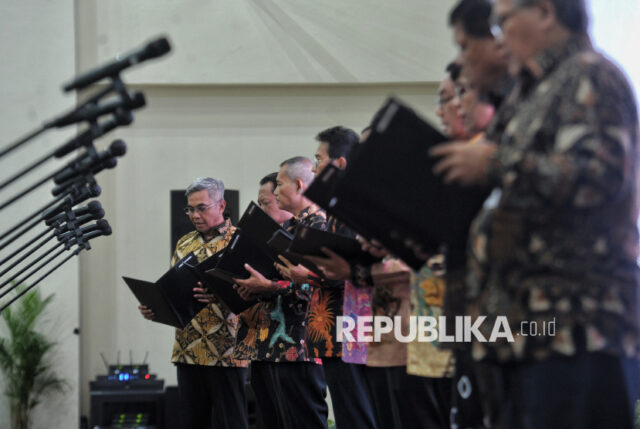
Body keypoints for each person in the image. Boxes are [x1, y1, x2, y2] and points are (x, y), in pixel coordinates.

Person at [445, 0, 640, 427]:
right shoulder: (533, 91)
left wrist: (494, 165)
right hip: (522, 335)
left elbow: (599, 174)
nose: (498, 37)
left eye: (503, 22)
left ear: (547, 12)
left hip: (577, 332)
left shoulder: (591, 75)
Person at [139, 177, 249, 429]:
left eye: (201, 207)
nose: (194, 215)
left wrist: (223, 295)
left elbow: (254, 295)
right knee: (191, 421)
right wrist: (156, 306)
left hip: (226, 350)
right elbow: (173, 289)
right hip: (188, 349)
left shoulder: (239, 241)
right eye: (190, 208)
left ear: (221, 205)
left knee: (231, 422)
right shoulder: (185, 242)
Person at [234, 157, 329, 429]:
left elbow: (321, 285)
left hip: (300, 346)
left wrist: (269, 286)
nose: (275, 192)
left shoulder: (319, 226)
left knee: (305, 421)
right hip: (267, 345)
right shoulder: (289, 229)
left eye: (279, 184)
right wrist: (252, 287)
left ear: (299, 185)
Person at [233, 173, 293, 429]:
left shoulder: (299, 237)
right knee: (269, 420)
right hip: (259, 344)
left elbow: (309, 286)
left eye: (266, 203)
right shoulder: (257, 241)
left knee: (297, 419)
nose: (262, 210)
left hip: (293, 346)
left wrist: (267, 286)